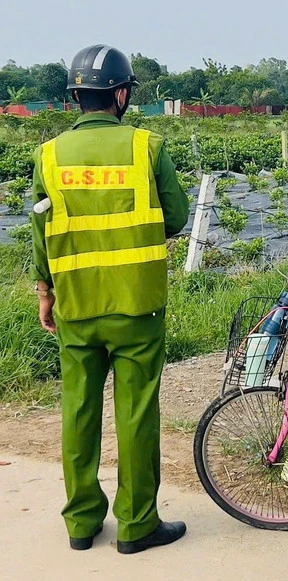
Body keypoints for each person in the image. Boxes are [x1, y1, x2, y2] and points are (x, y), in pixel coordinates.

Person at [30, 45, 190, 554]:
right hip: (136, 306)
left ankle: (81, 523)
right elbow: (178, 217)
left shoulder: (49, 154)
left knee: (78, 412)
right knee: (136, 413)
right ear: (121, 94)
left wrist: (45, 290)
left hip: (76, 306)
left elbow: (41, 229)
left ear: (77, 96)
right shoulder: (148, 147)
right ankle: (137, 525)